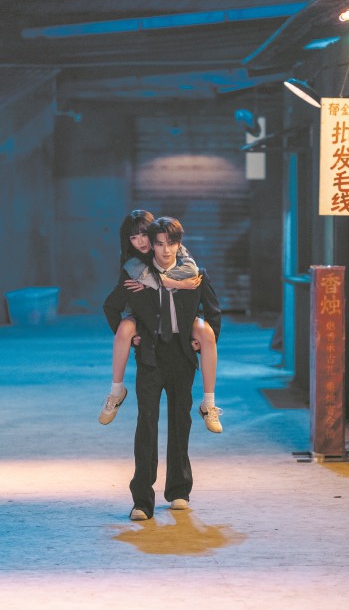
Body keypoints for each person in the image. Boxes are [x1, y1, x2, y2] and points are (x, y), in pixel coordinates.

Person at [103, 216, 222, 520]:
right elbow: (110, 306)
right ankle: (142, 500)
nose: (164, 249)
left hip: (182, 357)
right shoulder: (137, 276)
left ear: (179, 245)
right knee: (147, 424)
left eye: (171, 243)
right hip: (150, 357)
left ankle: (179, 490)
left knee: (181, 421)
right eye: (158, 243)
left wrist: (200, 344)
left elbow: (213, 312)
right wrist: (132, 339)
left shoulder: (194, 274)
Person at [98, 209, 222, 432]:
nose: (141, 242)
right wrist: (173, 284)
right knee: (125, 329)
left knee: (206, 332)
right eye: (133, 237)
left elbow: (191, 270)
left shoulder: (174, 249)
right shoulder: (132, 266)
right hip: (145, 320)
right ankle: (116, 391)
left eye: (144, 235)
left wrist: (177, 283)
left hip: (179, 326)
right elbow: (113, 304)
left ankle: (210, 404)